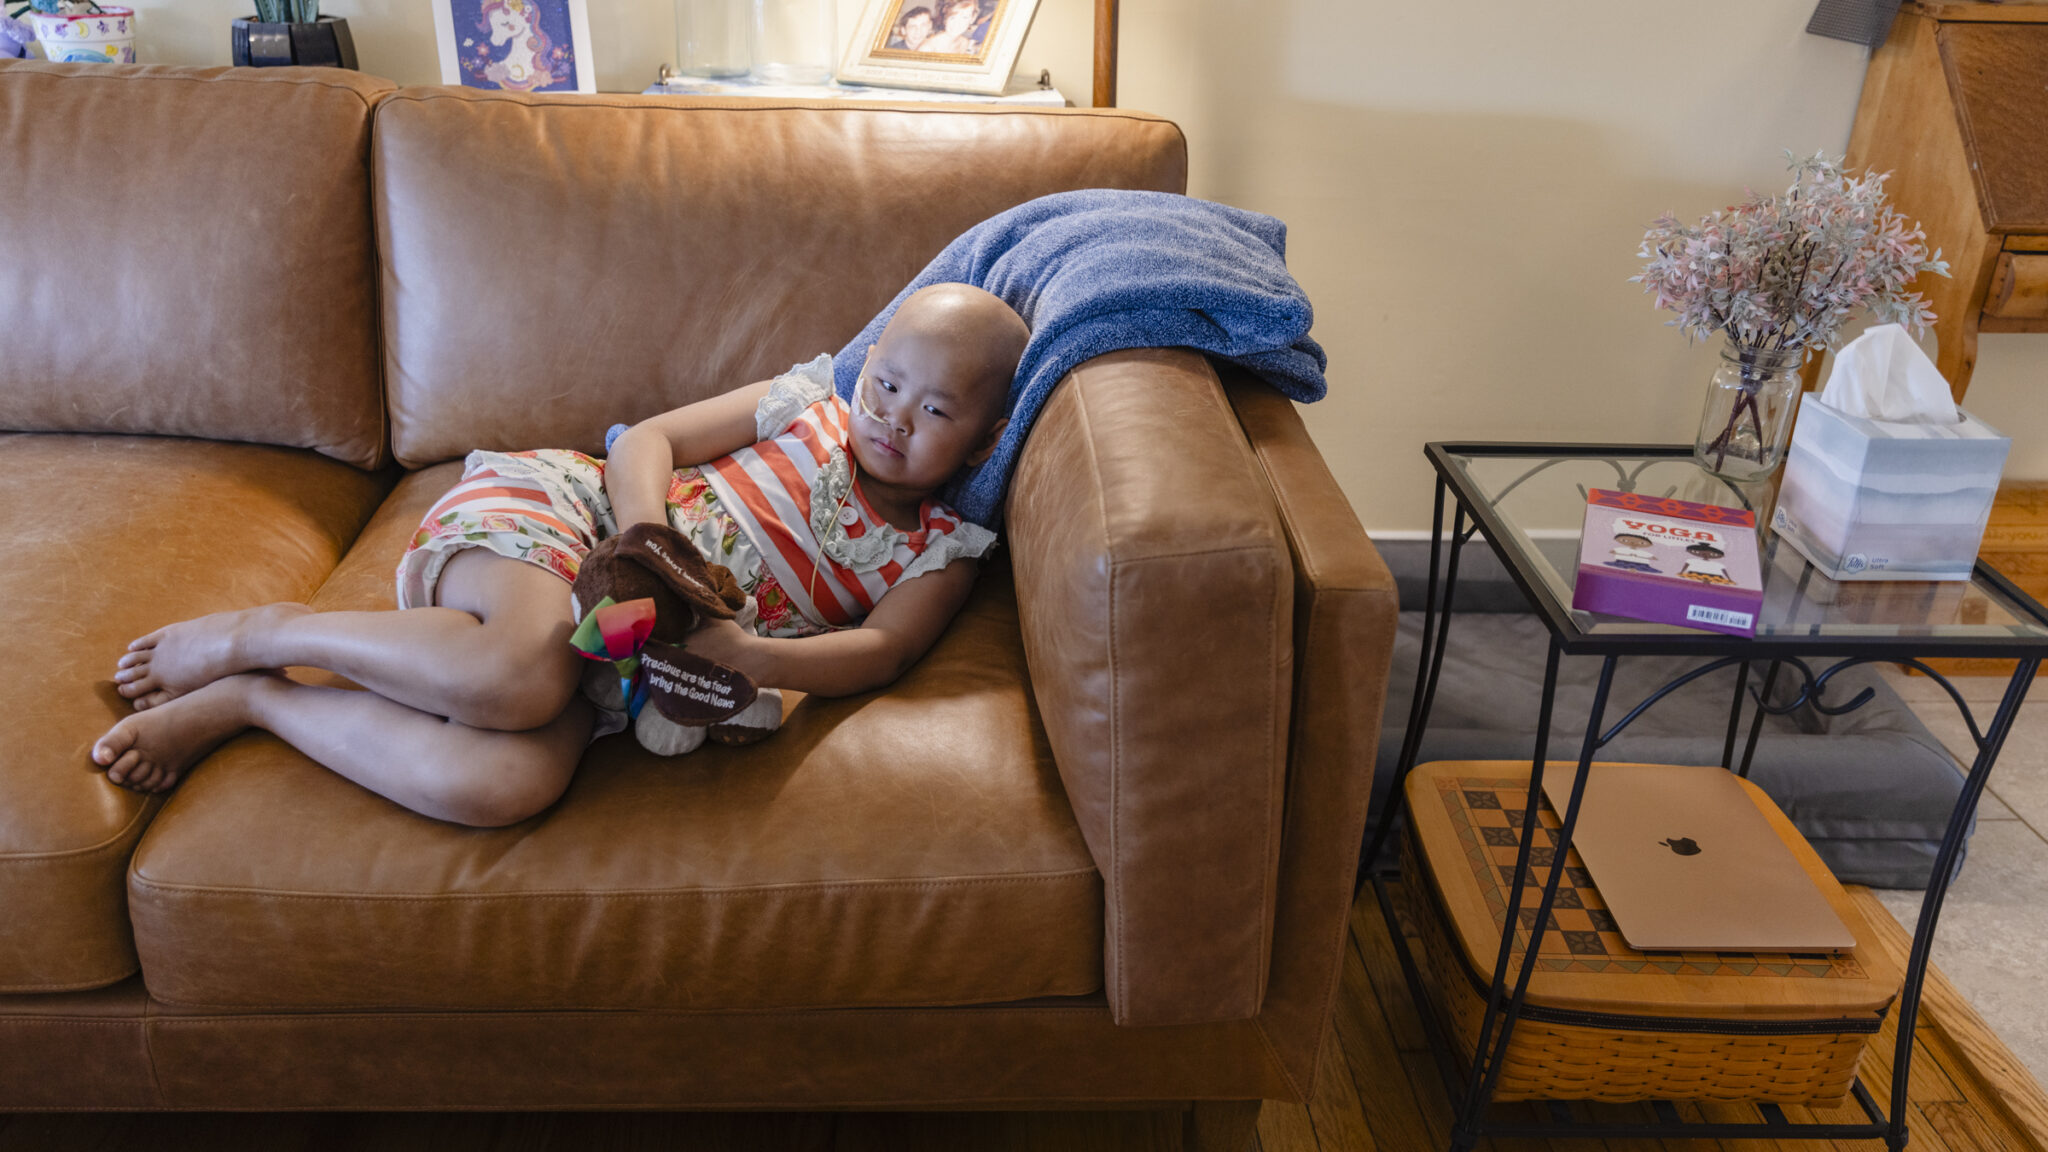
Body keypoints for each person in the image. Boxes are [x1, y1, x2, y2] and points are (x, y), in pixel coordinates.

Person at [92, 284, 1029, 827]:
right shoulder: (802, 406)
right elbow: (643, 441)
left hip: (633, 660)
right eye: (885, 384)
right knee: (524, 673)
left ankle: (261, 698)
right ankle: (268, 632)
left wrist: (753, 659)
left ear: (985, 442)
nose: (892, 417)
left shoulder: (942, 550)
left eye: (935, 410)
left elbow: (883, 653)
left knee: (507, 784)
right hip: (571, 522)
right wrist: (646, 538)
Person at [915, 0, 983, 54]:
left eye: (964, 17)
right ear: (946, 17)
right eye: (953, 17)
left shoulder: (967, 44)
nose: (957, 23)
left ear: (972, 19)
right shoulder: (927, 48)